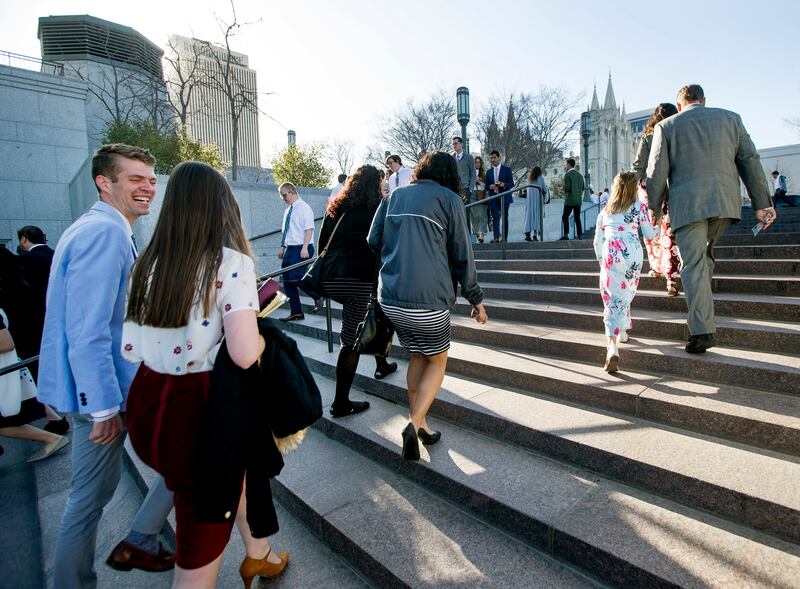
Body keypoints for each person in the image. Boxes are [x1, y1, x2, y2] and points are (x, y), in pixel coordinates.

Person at [123, 161, 288, 588]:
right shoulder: (230, 262)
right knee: (199, 546)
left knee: (232, 477)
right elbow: (245, 352)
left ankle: (259, 553)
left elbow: (139, 340)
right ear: (221, 208)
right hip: (199, 411)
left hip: (147, 399)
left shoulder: (149, 263)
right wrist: (262, 334)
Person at [38, 144, 176, 588]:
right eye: (135, 179)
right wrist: (102, 408)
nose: (147, 188)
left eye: (152, 180)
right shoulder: (105, 233)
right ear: (105, 182)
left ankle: (141, 536)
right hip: (105, 394)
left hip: (106, 390)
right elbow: (90, 330)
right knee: (88, 500)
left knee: (93, 496)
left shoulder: (98, 227)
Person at [368, 152, 488, 461]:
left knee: (417, 355)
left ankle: (420, 423)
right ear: (450, 174)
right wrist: (475, 298)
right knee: (437, 359)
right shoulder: (449, 200)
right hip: (429, 300)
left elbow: (373, 239)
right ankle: (413, 422)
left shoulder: (394, 196)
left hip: (392, 298)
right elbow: (463, 254)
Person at [647, 84, 775, 353]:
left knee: (693, 265)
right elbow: (750, 160)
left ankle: (702, 332)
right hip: (724, 205)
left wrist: (654, 209)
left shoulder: (666, 126)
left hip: (689, 207)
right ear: (703, 101)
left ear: (679, 104)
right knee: (702, 260)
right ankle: (702, 309)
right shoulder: (731, 119)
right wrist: (762, 204)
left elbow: (657, 170)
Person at [319, 165, 398, 417]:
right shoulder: (379, 208)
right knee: (351, 339)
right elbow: (385, 246)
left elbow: (322, 245)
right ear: (376, 185)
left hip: (333, 278)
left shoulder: (335, 209)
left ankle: (382, 364)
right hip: (360, 279)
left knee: (373, 313)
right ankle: (340, 403)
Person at [594, 172, 659, 372]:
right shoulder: (639, 207)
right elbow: (649, 234)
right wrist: (660, 226)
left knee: (611, 297)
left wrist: (601, 261)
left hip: (612, 253)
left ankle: (612, 346)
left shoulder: (605, 210)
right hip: (633, 254)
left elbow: (597, 240)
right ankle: (621, 331)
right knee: (623, 293)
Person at [0, 310, 69, 462]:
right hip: (7, 373)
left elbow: (7, 343)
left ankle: (51, 438)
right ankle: (53, 433)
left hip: (5, 374)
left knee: (4, 423)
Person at [633, 103, 681, 296]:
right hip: (675, 187)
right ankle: (672, 277)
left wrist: (629, 189)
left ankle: (657, 266)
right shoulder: (679, 134)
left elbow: (638, 166)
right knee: (670, 233)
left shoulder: (648, 137)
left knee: (652, 232)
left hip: (651, 188)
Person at [277, 182, 322, 322]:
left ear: (291, 192)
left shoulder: (304, 208)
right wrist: (282, 247)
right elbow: (286, 231)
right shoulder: (288, 211)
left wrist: (304, 247)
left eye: (284, 195)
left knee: (296, 276)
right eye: (281, 197)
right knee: (287, 281)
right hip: (290, 248)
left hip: (303, 247)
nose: (283, 199)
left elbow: (309, 229)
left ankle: (317, 295)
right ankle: (296, 312)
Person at [485, 150, 515, 242]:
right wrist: (491, 186)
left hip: (504, 197)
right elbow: (486, 186)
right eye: (491, 158)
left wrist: (503, 185)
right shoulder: (489, 172)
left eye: (494, 157)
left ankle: (504, 238)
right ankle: (496, 237)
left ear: (499, 158)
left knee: (505, 217)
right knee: (495, 218)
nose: (492, 160)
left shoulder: (507, 169)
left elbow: (511, 184)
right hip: (494, 197)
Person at [452, 136, 477, 228]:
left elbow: (473, 174)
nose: (454, 145)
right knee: (455, 214)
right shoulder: (451, 158)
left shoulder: (469, 158)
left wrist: (470, 189)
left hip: (465, 190)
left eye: (456, 143)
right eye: (453, 144)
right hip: (454, 190)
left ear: (461, 144)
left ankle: (468, 237)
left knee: (466, 213)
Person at [561, 158, 585, 239]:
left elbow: (567, 188)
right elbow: (582, 188)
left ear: (568, 164)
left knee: (565, 217)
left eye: (566, 164)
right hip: (578, 200)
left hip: (570, 200)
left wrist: (562, 186)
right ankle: (579, 235)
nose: (565, 166)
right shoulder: (580, 175)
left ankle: (566, 234)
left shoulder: (567, 174)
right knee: (577, 218)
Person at [524, 166, 548, 241]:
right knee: (537, 218)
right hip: (538, 201)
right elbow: (544, 189)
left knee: (529, 217)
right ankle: (535, 235)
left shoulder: (529, 179)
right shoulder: (541, 179)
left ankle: (527, 234)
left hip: (530, 202)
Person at [473, 156, 488, 243]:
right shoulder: (471, 173)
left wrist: (479, 182)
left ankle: (481, 234)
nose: (477, 164)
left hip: (482, 194)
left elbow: (486, 186)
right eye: (476, 162)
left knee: (482, 215)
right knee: (474, 216)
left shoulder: (484, 174)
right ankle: (476, 235)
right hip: (473, 195)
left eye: (479, 162)